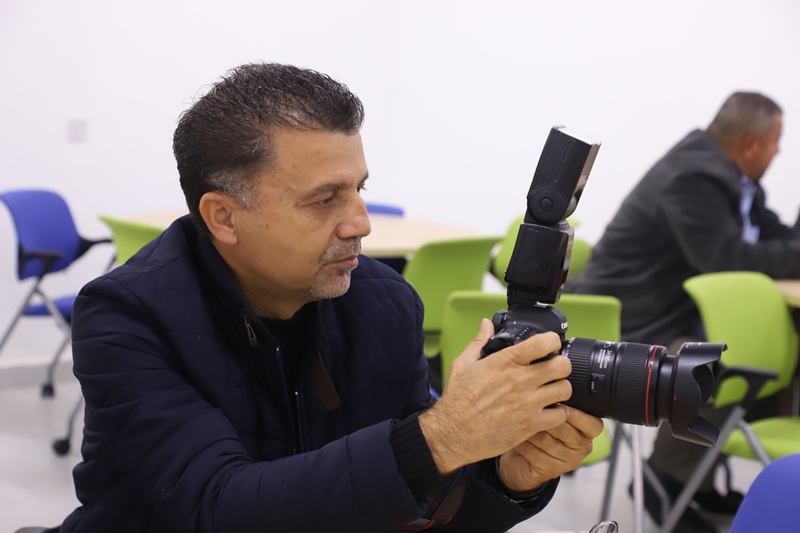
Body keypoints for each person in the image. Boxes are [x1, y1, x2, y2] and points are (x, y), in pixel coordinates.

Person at [49, 63, 602, 533]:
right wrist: (441, 438)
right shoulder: (127, 316)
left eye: (360, 189)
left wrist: (505, 481)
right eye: (324, 200)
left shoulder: (385, 303)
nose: (360, 223)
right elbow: (217, 506)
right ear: (224, 217)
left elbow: (416, 511)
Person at [570, 91, 800, 533]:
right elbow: (728, 259)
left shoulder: (737, 182)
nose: (779, 152)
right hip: (630, 319)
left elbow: (776, 239)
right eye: (776, 142)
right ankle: (666, 481)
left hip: (671, 314)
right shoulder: (692, 178)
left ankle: (696, 477)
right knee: (715, 363)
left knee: (764, 350)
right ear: (751, 144)